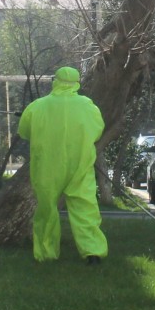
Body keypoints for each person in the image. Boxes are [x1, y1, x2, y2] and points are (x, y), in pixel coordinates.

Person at [17, 66, 108, 264]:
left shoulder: (37, 106)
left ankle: (46, 254)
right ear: (77, 83)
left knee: (47, 209)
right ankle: (93, 253)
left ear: (55, 81)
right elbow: (97, 131)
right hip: (80, 166)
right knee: (85, 208)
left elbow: (24, 132)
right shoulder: (88, 106)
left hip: (47, 167)